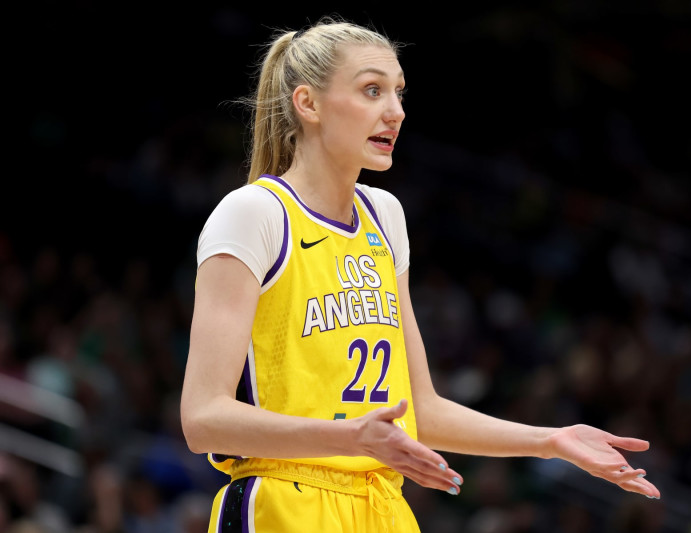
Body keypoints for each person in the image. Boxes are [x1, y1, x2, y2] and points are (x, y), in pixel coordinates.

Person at [179, 15, 661, 533]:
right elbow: (203, 419)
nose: (396, 112)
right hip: (283, 503)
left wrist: (548, 441)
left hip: (384, 508)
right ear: (308, 103)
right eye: (372, 90)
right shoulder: (254, 213)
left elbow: (420, 412)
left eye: (399, 93)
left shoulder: (385, 217)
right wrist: (350, 438)